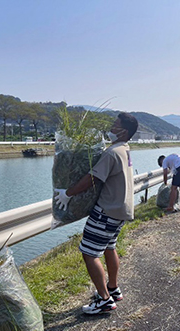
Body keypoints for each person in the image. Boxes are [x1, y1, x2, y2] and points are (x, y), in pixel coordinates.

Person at [54, 112, 138, 315]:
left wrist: (68, 193)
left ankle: (104, 300)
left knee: (89, 253)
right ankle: (113, 288)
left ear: (123, 131)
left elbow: (92, 178)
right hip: (121, 210)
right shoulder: (124, 149)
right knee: (110, 247)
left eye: (115, 125)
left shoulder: (112, 152)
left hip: (106, 211)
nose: (111, 127)